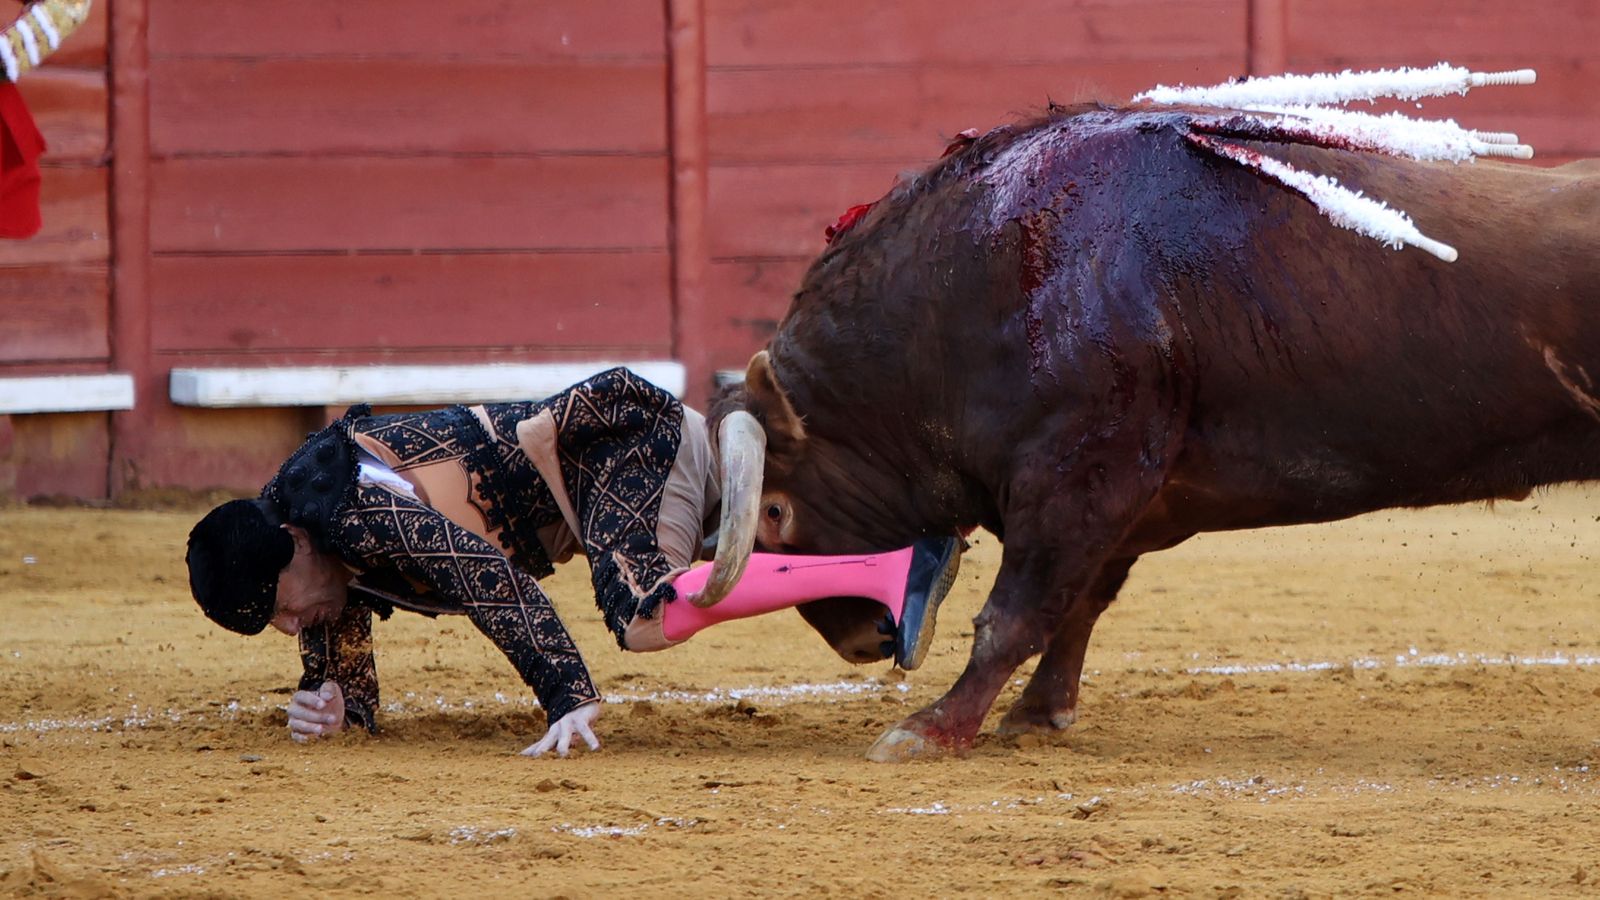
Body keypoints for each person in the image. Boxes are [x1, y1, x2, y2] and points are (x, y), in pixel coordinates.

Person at [185, 367, 962, 757]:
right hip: (613, 483)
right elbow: (336, 605)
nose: (294, 627)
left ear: (293, 546)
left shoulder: (351, 506)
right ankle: (909, 527)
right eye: (280, 626)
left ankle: (894, 570)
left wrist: (566, 695)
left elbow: (484, 577)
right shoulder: (301, 525)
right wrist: (338, 702)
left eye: (282, 609)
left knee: (643, 615)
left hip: (621, 446)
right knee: (767, 525)